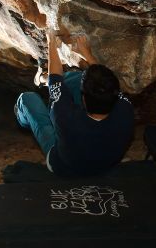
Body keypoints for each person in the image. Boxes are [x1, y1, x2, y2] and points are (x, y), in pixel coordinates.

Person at [14, 25, 134, 176]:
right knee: (77, 79)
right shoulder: (126, 109)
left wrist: (51, 42)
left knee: (26, 99)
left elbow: (55, 80)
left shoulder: (65, 116)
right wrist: (87, 54)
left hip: (63, 166)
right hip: (106, 164)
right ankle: (43, 78)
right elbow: (106, 82)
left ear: (83, 99)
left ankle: (25, 121)